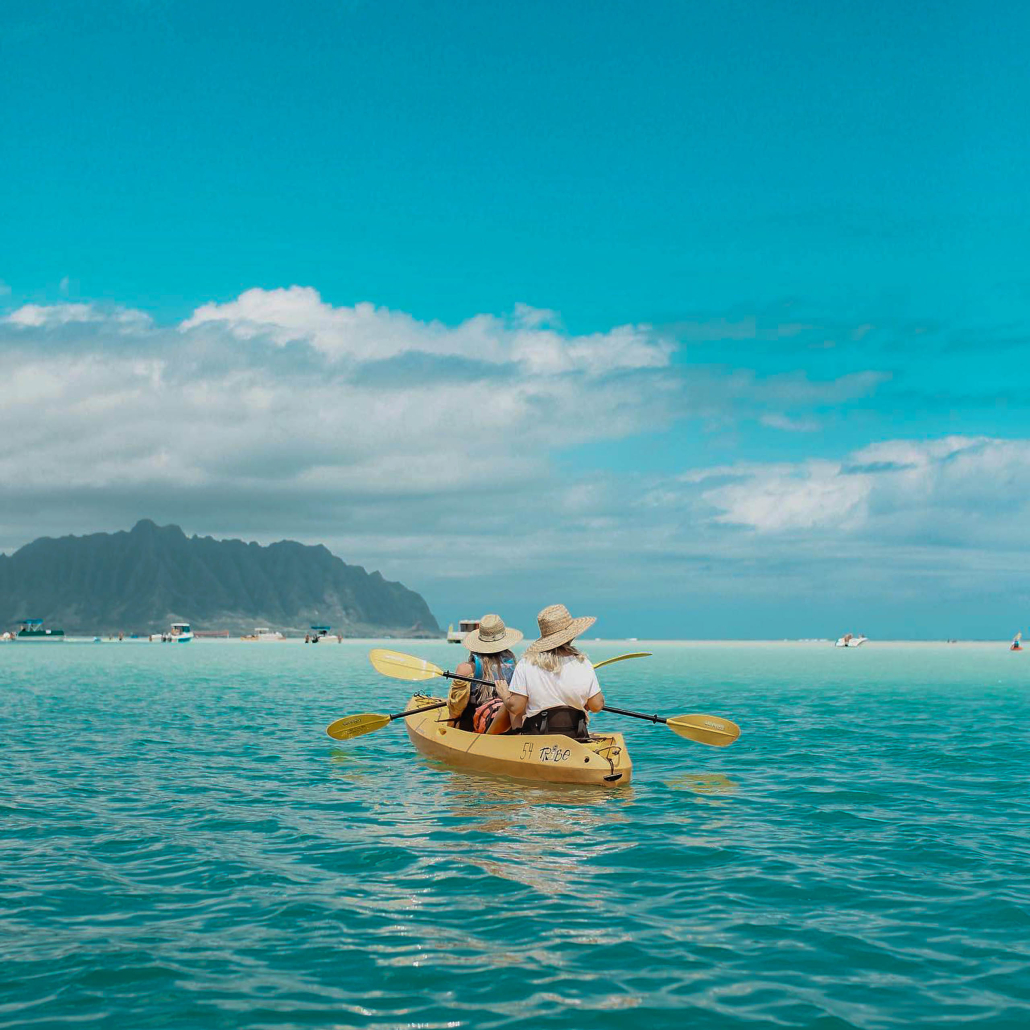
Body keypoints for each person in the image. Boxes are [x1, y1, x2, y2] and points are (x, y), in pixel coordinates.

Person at [494, 604, 603, 739]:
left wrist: (505, 696)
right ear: (571, 636)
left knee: (516, 700)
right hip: (575, 736)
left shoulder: (526, 663)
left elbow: (516, 707)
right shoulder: (584, 663)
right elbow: (597, 705)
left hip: (537, 737)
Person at [446, 614, 523, 732]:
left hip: (476, 727)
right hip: (510, 722)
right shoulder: (516, 666)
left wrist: (449, 728)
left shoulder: (465, 669)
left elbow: (456, 709)